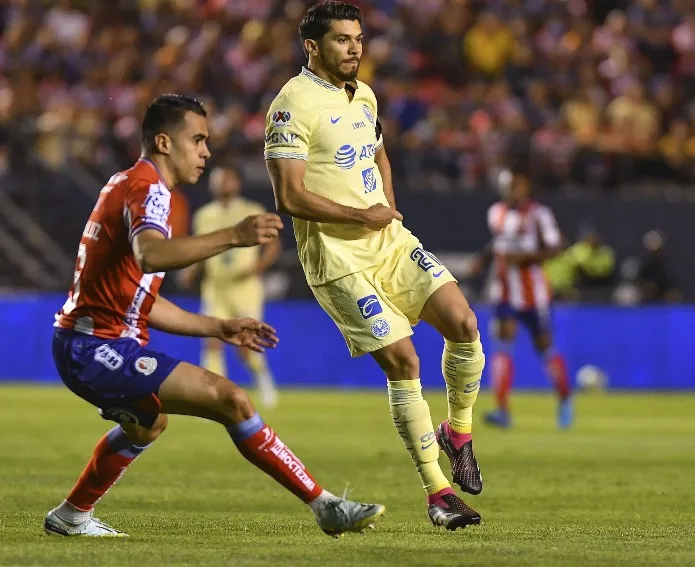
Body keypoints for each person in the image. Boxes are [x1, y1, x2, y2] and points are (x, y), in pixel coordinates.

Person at [45, 94, 384, 538]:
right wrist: (233, 235)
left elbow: (141, 301)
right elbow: (151, 256)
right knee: (230, 399)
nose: (205, 151)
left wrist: (219, 327)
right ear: (164, 142)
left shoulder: (130, 184)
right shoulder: (147, 188)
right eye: (198, 140)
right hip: (93, 346)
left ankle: (71, 515)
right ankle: (326, 506)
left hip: (93, 341)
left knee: (148, 424)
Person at [264, 2, 484, 531]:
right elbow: (289, 196)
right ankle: (438, 494)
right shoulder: (291, 105)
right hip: (338, 259)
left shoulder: (363, 94)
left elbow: (379, 153)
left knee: (464, 322)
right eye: (342, 39)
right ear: (312, 46)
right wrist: (362, 214)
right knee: (404, 362)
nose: (355, 48)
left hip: (389, 242)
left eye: (358, 38)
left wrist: (387, 205)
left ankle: (458, 433)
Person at [469, 168, 573, 429]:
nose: (514, 191)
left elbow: (556, 247)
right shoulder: (496, 212)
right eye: (510, 186)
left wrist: (526, 258)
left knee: (545, 347)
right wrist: (483, 260)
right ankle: (502, 410)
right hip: (504, 291)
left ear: (526, 187)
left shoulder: (539, 214)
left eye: (518, 186)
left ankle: (564, 400)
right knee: (503, 344)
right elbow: (497, 243)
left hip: (534, 294)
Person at [181, 165, 281, 407]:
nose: (222, 184)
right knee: (212, 339)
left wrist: (258, 267)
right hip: (215, 287)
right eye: (217, 180)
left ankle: (262, 377)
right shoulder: (204, 215)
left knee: (245, 342)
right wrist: (191, 270)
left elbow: (273, 245)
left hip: (244, 287)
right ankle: (215, 395)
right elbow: (200, 249)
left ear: (237, 183)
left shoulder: (252, 210)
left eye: (226, 179)